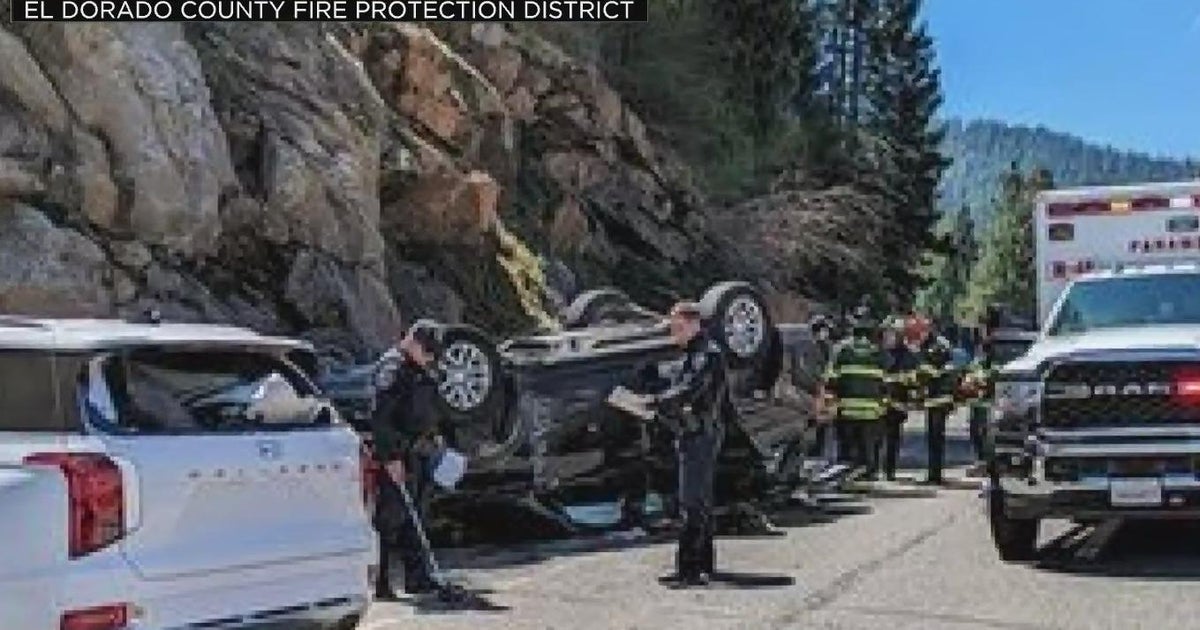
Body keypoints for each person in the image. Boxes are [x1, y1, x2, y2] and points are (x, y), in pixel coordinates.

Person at [630, 301, 732, 588]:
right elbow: (678, 385)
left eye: (677, 327)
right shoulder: (694, 353)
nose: (673, 333)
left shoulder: (706, 355)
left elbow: (691, 388)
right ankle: (704, 564)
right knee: (700, 501)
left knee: (692, 502)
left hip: (700, 433)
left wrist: (658, 402)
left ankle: (689, 569)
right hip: (694, 432)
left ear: (693, 324)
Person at [368, 321, 448, 600]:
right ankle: (380, 583)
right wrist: (390, 458)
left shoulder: (419, 368)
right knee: (390, 519)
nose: (430, 358)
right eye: (427, 351)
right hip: (396, 454)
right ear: (411, 341)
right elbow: (381, 419)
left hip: (417, 452)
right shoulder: (392, 369)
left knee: (417, 518)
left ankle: (418, 578)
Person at [824, 308, 888, 479]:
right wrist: (882, 407)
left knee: (846, 453)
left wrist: (831, 407)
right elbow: (886, 384)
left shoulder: (841, 350)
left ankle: (846, 481)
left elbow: (830, 381)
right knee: (867, 453)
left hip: (846, 412)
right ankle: (867, 477)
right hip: (871, 414)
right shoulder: (879, 353)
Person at [909, 315, 957, 485]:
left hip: (938, 399)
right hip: (937, 398)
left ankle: (935, 475)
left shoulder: (936, 346)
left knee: (935, 438)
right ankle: (934, 473)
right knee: (934, 439)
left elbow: (931, 372)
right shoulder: (939, 344)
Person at [879, 318, 918, 481]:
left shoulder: (907, 355)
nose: (890, 337)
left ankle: (889, 471)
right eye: (888, 334)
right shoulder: (879, 353)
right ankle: (873, 470)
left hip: (897, 404)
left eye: (893, 334)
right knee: (875, 439)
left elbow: (912, 379)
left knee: (892, 439)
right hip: (878, 403)